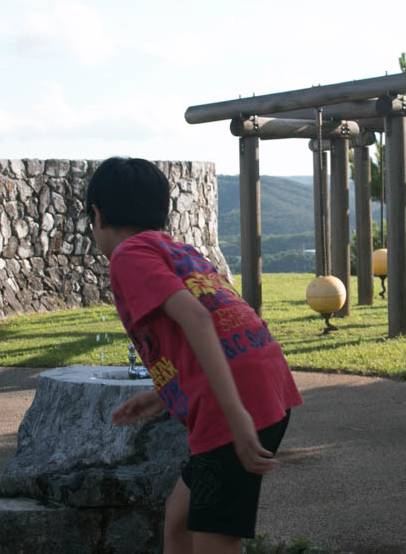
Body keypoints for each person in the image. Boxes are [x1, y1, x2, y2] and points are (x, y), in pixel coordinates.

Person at [86, 157, 302, 554]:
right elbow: (214, 328)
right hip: (265, 382)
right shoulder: (173, 248)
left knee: (212, 539)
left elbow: (197, 319)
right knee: (181, 523)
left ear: (97, 215)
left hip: (233, 407)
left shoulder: (127, 256)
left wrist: (236, 417)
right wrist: (161, 394)